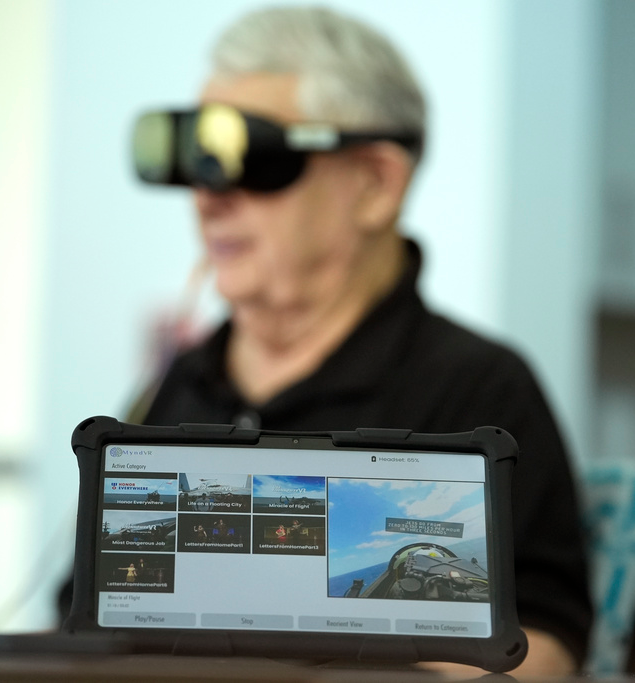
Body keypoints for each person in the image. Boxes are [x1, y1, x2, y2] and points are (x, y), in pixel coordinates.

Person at [125, 6, 592, 676]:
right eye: (197, 158)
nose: (207, 196)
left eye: (247, 155)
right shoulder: (177, 385)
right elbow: (87, 612)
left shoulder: (481, 390)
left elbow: (539, 650)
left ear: (375, 182)